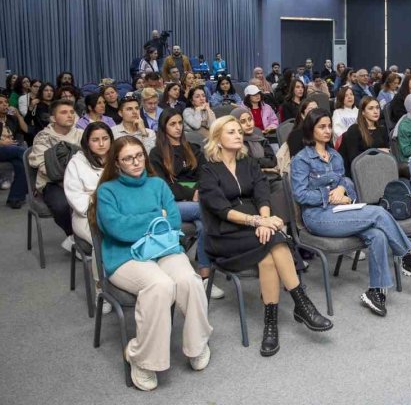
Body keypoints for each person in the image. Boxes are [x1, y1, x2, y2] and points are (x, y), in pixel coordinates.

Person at [200, 116, 331, 354]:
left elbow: (262, 192)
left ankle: (270, 324)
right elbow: (221, 209)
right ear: (217, 139)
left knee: (269, 255)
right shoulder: (209, 170)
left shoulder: (247, 162)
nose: (239, 135)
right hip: (224, 235)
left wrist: (266, 220)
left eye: (240, 131)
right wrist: (259, 221)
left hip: (254, 228)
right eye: (231, 132)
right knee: (276, 240)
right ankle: (302, 303)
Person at [90, 136, 212, 390]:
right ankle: (141, 357)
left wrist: (138, 220)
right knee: (160, 286)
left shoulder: (157, 184)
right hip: (125, 256)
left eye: (139, 156)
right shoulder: (107, 191)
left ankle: (196, 344)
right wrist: (156, 216)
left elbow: (175, 221)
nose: (135, 162)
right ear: (116, 163)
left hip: (163, 248)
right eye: (127, 158)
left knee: (189, 280)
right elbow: (118, 229)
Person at [291, 109, 411, 316]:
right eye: (321, 127)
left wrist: (342, 190)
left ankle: (376, 292)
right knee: (377, 213)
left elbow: (345, 182)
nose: (327, 130)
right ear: (310, 129)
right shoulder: (301, 159)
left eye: (329, 126)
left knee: (377, 234)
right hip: (317, 217)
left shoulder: (334, 156)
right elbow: (301, 195)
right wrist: (328, 194)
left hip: (341, 210)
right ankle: (407, 256)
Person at [149, 109, 222, 298]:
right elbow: (162, 186)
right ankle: (205, 275)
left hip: (197, 199)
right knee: (206, 212)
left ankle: (204, 278)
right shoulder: (156, 154)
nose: (178, 128)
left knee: (203, 223)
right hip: (171, 204)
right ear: (164, 127)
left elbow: (206, 174)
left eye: (180, 123)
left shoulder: (193, 148)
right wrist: (192, 193)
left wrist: (198, 191)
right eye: (172, 124)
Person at [63, 121, 114, 314]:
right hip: (86, 217)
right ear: (87, 142)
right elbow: (76, 198)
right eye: (95, 140)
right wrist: (102, 198)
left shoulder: (118, 157)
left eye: (105, 139)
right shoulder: (77, 162)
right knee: (101, 238)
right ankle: (101, 288)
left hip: (117, 212)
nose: (101, 144)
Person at [29, 99, 84, 248]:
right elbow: (43, 165)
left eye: (72, 112)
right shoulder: (43, 137)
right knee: (63, 206)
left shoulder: (81, 134)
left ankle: (88, 237)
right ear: (53, 118)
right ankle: (74, 237)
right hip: (52, 182)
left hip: (80, 179)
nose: (70, 115)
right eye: (64, 112)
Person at [338, 96, 390, 175]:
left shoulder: (382, 129)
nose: (376, 111)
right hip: (360, 172)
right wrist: (377, 151)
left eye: (377, 108)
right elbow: (354, 157)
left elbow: (388, 152)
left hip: (379, 167)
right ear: (363, 112)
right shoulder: (354, 130)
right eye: (371, 108)